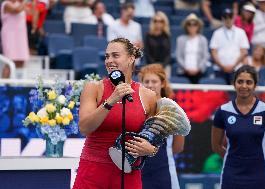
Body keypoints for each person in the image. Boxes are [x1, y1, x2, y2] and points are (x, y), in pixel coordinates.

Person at [72, 37, 158, 189]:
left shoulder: (148, 96)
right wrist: (110, 101)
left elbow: (153, 137)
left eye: (115, 55)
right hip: (93, 172)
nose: (109, 60)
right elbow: (84, 127)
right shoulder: (93, 88)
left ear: (131, 58)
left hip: (128, 173)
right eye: (107, 56)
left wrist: (150, 149)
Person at [212, 65, 265, 189]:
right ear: (234, 84)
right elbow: (216, 145)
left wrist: (257, 159)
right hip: (231, 173)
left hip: (260, 173)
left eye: (249, 82)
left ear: (255, 85)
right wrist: (233, 158)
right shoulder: (222, 111)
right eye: (240, 81)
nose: (244, 86)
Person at [138, 63, 185, 189]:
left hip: (164, 168)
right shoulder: (136, 108)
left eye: (154, 81)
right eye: (146, 81)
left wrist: (159, 153)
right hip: (138, 169)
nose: (150, 85)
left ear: (162, 83)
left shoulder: (173, 109)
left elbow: (178, 146)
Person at [210, 8, 249, 84]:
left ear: (233, 17)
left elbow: (244, 52)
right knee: (220, 93)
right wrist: (222, 66)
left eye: (230, 17)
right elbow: (213, 52)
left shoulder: (241, 32)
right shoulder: (217, 33)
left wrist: (233, 66)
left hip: (237, 68)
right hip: (220, 69)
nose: (228, 19)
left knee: (235, 93)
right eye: (225, 17)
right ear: (222, 18)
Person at [176, 13, 209, 84]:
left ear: (198, 26)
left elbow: (205, 56)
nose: (192, 26)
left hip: (199, 73)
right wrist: (185, 68)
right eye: (189, 24)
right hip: (183, 72)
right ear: (186, 26)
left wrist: (198, 69)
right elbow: (178, 56)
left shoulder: (203, 39)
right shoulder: (180, 39)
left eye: (194, 24)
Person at [1, 0, 30, 78]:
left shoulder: (20, 4)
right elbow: (16, 10)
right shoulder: (6, 4)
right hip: (9, 35)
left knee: (21, 61)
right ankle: (4, 87)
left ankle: (18, 87)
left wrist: (34, 3)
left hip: (21, 36)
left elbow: (30, 13)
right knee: (10, 61)